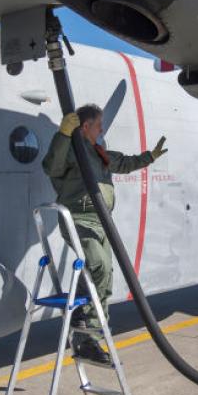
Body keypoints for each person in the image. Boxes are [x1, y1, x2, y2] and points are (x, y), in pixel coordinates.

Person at [42, 104, 167, 363]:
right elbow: (52, 167)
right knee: (97, 263)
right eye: (99, 125)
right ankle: (83, 320)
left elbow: (122, 163)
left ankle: (90, 339)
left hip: (101, 222)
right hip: (79, 219)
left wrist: (149, 157)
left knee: (105, 273)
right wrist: (63, 135)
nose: (102, 129)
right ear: (85, 126)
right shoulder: (72, 150)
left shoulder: (98, 153)